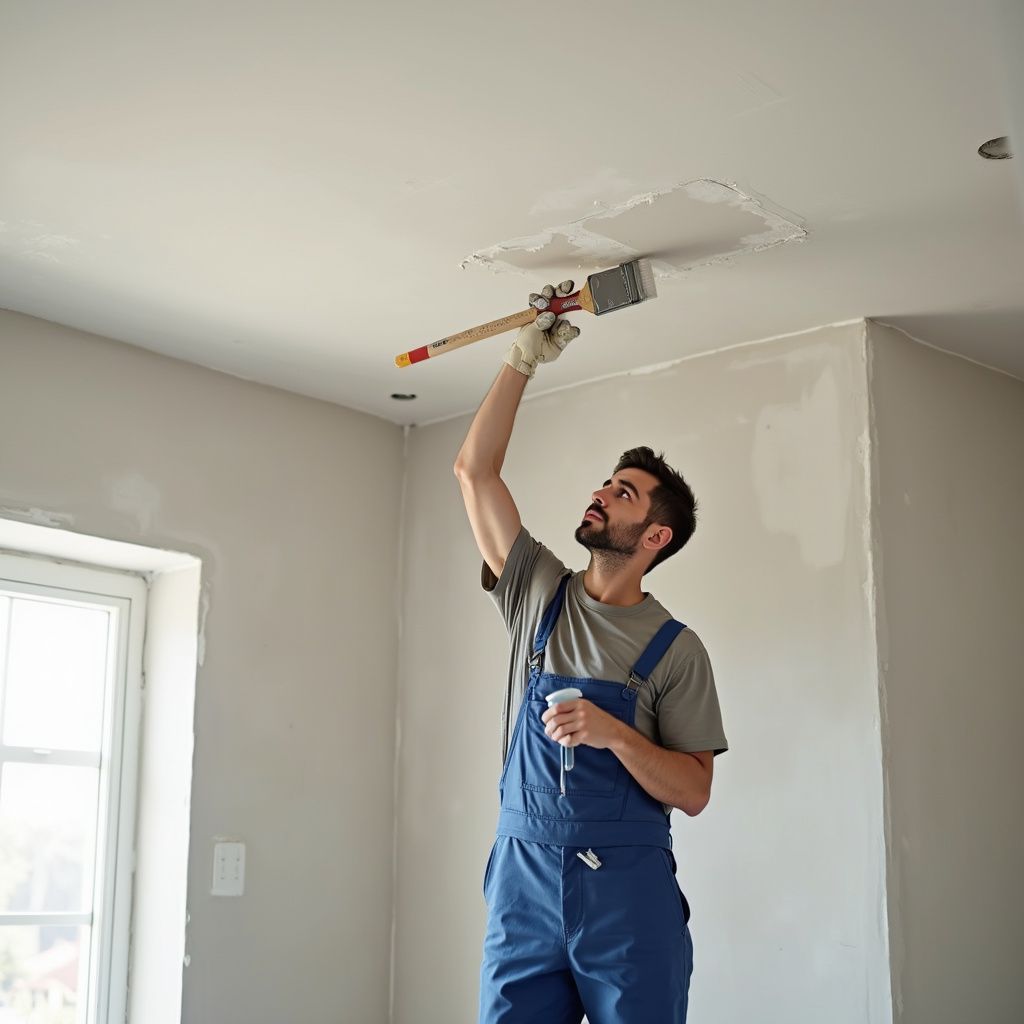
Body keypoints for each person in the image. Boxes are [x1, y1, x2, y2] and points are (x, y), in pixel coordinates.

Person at [454, 282, 729, 1024]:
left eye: (627, 493)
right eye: (608, 482)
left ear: (654, 538)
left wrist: (613, 733)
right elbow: (473, 473)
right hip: (523, 881)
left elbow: (694, 791)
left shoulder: (676, 650)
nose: (604, 494)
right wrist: (522, 360)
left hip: (627, 900)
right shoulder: (539, 594)